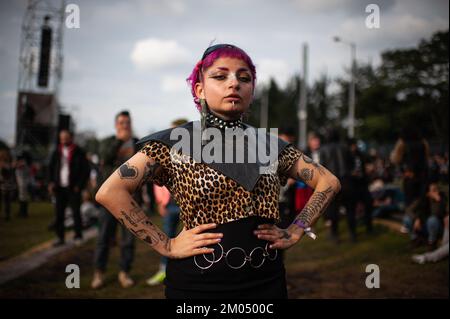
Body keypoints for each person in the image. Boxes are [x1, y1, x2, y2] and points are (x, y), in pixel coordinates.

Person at [96, 44, 341, 299]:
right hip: (197, 285)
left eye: (244, 78)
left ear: (251, 90)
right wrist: (165, 244)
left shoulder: (269, 145)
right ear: (199, 89)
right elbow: (111, 191)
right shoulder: (176, 142)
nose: (234, 83)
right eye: (220, 76)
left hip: (265, 283)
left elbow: (329, 182)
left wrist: (297, 228)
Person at [91, 110, 141, 289]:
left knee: (128, 240)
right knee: (104, 238)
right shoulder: (108, 142)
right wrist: (119, 140)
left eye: (127, 122)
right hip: (109, 200)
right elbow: (105, 158)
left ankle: (124, 273)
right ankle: (99, 274)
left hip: (131, 200)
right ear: (116, 125)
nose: (124, 125)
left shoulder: (138, 143)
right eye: (121, 123)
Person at [48, 129, 90, 246]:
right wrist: (51, 182)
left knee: (76, 212)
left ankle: (78, 236)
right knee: (59, 213)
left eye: (66, 137)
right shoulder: (57, 151)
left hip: (73, 188)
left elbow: (85, 170)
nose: (63, 140)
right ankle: (60, 237)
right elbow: (51, 168)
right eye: (62, 138)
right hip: (59, 187)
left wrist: (79, 186)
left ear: (71, 137)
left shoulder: (78, 151)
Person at [402, 182, 447, 249]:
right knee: (407, 219)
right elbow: (408, 210)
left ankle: (432, 242)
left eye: (437, 189)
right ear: (427, 192)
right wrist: (416, 218)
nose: (436, 192)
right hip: (423, 225)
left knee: (432, 219)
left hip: (437, 227)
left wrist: (437, 201)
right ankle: (415, 239)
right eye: (434, 190)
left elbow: (436, 213)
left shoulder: (442, 199)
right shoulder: (422, 199)